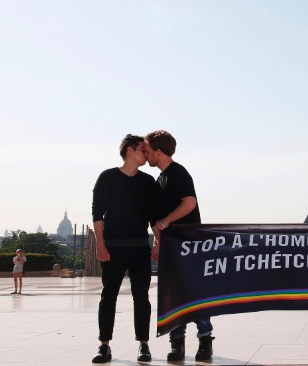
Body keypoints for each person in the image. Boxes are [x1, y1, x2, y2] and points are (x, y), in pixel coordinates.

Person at [145, 130, 215, 362]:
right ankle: (178, 342)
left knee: (192, 292)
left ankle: (204, 339)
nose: (146, 155)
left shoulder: (178, 172)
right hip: (172, 246)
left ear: (158, 151)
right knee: (174, 295)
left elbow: (189, 203)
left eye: (147, 150)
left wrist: (165, 223)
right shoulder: (160, 179)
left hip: (188, 244)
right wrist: (158, 242)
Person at [91, 134, 160, 363]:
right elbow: (97, 214)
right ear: (130, 150)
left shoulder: (147, 182)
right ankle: (104, 346)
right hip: (112, 248)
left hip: (140, 248)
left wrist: (158, 242)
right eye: (143, 149)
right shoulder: (107, 177)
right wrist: (100, 244)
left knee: (142, 298)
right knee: (108, 297)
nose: (146, 154)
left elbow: (153, 217)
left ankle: (143, 344)